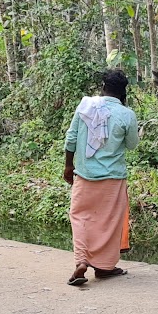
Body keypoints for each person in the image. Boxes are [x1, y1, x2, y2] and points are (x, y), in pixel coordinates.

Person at [64, 69, 140, 286]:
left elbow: (71, 138)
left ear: (102, 87)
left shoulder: (86, 106)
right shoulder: (127, 114)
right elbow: (132, 145)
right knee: (109, 222)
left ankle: (81, 260)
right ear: (123, 93)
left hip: (84, 175)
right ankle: (105, 267)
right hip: (113, 178)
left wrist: (69, 165)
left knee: (80, 217)